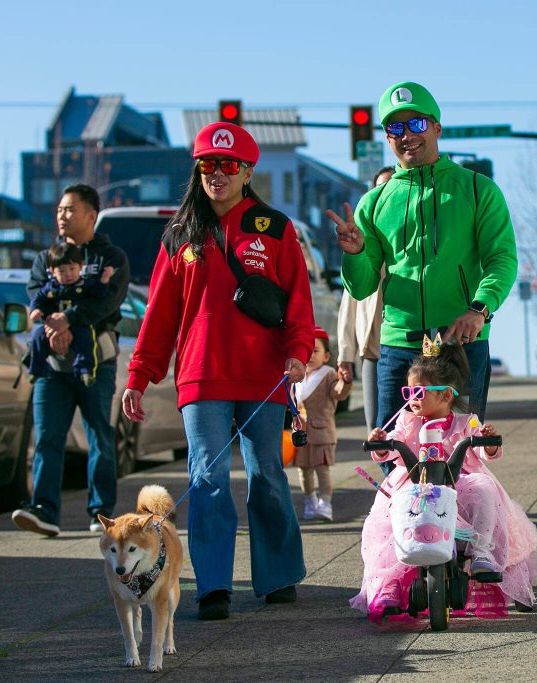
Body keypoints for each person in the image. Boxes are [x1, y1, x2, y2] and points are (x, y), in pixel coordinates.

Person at [121, 122, 314, 621]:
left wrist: (297, 351)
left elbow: (297, 301)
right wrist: (139, 376)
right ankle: (213, 586)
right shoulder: (180, 234)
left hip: (263, 373)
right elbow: (159, 315)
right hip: (201, 375)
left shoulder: (276, 228)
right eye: (208, 164)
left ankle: (277, 577)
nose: (218, 174)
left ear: (248, 171)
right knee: (206, 477)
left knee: (266, 474)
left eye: (230, 165)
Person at [328, 81, 518, 432]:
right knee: (392, 450)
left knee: (461, 448)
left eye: (416, 124)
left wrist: (479, 309)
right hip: (399, 344)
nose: (406, 135)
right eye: (395, 127)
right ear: (387, 137)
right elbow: (361, 286)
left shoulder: (478, 189)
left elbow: (501, 259)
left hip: (461, 342)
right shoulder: (373, 202)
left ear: (436, 128)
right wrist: (355, 254)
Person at [350, 340, 537, 621]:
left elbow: (482, 451)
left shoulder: (466, 422)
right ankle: (388, 583)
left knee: (485, 490)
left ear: (446, 396)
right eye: (409, 391)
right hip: (414, 484)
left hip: (459, 482)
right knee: (386, 516)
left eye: (420, 392)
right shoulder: (406, 421)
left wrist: (485, 443)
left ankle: (481, 552)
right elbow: (393, 445)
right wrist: (381, 444)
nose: (412, 398)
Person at [11, 183, 130, 537]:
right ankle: (44, 510)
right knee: (47, 435)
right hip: (51, 365)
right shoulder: (44, 258)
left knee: (99, 435)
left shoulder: (111, 257)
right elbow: (35, 294)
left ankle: (101, 512)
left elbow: (108, 302)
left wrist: (70, 319)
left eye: (70, 210)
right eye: (60, 209)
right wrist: (53, 324)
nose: (62, 216)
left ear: (91, 215)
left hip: (95, 363)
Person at [336, 166, 394, 436]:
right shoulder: (361, 242)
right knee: (376, 430)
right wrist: (345, 355)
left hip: (412, 346)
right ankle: (390, 479)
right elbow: (350, 300)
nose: (385, 194)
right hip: (372, 350)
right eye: (379, 189)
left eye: (392, 188)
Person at [26, 242, 115, 386]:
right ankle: (36, 370)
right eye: (62, 271)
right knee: (37, 335)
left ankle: (85, 370)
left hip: (78, 324)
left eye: (72, 269)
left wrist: (104, 280)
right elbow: (38, 298)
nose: (68, 274)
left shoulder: (85, 284)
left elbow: (99, 295)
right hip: (53, 325)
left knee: (86, 339)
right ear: (52, 271)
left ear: (81, 267)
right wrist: (35, 310)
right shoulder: (51, 287)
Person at [292, 326, 350, 522]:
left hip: (322, 431)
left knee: (322, 469)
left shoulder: (329, 374)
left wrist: (345, 381)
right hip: (301, 432)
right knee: (304, 470)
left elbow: (338, 392)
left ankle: (325, 503)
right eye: (307, 350)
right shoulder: (298, 377)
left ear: (326, 356)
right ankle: (310, 500)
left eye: (315, 351)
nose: (310, 355)